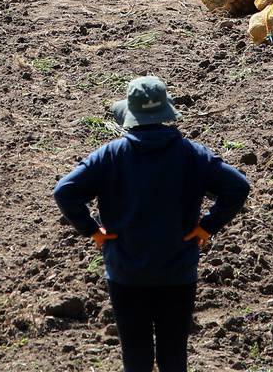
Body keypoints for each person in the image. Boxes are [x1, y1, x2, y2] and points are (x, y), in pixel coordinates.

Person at [53, 76, 250, 372]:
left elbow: (64, 191)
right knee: (174, 355)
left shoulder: (110, 156)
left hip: (125, 273)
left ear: (130, 115)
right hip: (178, 272)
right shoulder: (191, 154)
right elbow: (238, 186)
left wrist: (92, 230)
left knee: (135, 355)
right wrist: (208, 226)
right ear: (165, 112)